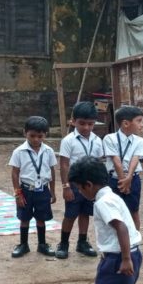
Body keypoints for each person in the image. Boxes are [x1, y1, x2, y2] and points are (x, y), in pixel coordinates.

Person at [69, 157, 142, 284]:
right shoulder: (112, 196)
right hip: (128, 253)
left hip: (119, 256)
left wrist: (125, 259)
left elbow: (121, 227)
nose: (80, 192)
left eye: (80, 188)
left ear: (89, 185)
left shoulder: (103, 202)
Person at [55, 101, 103, 259]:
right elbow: (64, 164)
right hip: (75, 185)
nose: (86, 127)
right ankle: (63, 243)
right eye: (82, 123)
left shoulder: (97, 141)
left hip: (90, 186)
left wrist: (98, 186)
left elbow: (98, 162)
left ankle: (82, 242)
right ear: (73, 121)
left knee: (85, 213)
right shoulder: (68, 140)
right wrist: (66, 186)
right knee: (70, 215)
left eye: (90, 124)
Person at [10, 116, 58, 257]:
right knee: (24, 218)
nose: (36, 139)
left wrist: (52, 191)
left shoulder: (48, 151)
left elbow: (52, 171)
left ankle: (42, 244)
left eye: (40, 136)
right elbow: (15, 173)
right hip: (26, 190)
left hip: (42, 190)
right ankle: (23, 245)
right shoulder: (19, 151)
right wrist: (18, 194)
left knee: (41, 218)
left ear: (45, 135)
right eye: (32, 136)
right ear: (25, 133)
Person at [102, 105, 143, 230]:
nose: (141, 125)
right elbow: (116, 160)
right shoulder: (110, 138)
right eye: (139, 121)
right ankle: (117, 239)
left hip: (133, 179)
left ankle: (134, 238)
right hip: (114, 180)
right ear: (126, 123)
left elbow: (135, 159)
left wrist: (129, 178)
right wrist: (123, 181)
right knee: (114, 212)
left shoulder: (139, 140)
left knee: (133, 211)